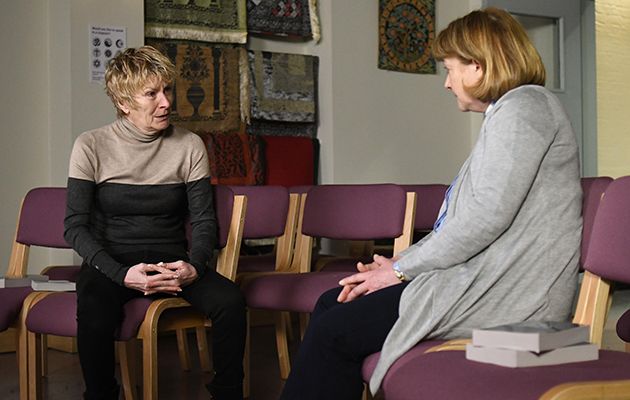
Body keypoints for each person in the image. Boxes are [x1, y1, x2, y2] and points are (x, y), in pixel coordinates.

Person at [280, 7, 582, 400]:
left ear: (477, 66)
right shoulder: (515, 110)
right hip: (489, 281)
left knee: (334, 329)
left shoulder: (524, 108)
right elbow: (470, 219)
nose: (447, 82)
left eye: (450, 68)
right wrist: (400, 266)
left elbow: (485, 218)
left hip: (513, 299)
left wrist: (402, 271)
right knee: (331, 303)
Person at [64, 46, 246, 400]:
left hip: (172, 261)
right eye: (152, 94)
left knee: (231, 301)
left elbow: (204, 218)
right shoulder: (90, 145)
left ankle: (228, 393)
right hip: (112, 262)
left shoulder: (189, 145)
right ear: (123, 102)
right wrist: (121, 274)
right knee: (95, 311)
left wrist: (194, 266)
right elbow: (74, 226)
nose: (166, 102)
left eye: (167, 90)